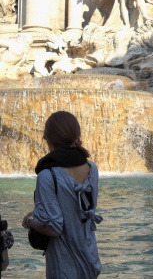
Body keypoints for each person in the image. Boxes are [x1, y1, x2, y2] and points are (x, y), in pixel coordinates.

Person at [22, 111, 103, 279]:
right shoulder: (92, 168)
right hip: (91, 260)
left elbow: (53, 227)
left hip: (64, 267)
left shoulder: (47, 175)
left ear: (49, 139)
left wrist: (29, 221)